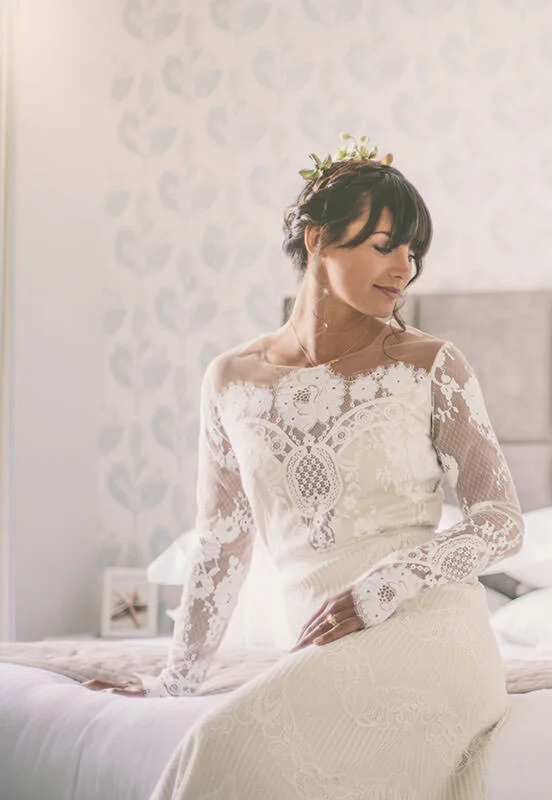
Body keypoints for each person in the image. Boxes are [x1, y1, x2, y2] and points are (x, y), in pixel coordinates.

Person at [84, 135, 523, 799]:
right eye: (385, 244)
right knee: (215, 737)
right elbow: (221, 542)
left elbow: (500, 524)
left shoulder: (430, 363)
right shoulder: (231, 379)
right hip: (320, 644)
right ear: (318, 239)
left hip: (433, 635)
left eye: (413, 251)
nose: (404, 267)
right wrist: (173, 682)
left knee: (223, 744)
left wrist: (383, 585)